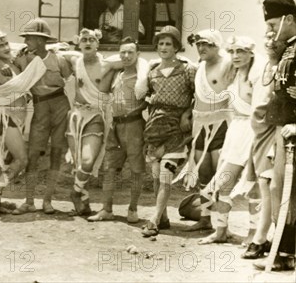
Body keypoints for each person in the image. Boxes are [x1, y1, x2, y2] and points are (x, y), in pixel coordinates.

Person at [197, 36, 265, 245]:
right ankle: (220, 231)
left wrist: (257, 138)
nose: (236, 56)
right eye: (233, 51)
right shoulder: (232, 75)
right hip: (235, 132)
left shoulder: (256, 78)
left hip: (254, 133)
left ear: (250, 53)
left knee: (252, 186)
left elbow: (261, 111)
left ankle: (253, 234)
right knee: (223, 184)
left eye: (241, 51)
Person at [252, 0, 296, 271]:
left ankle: (284, 253)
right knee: (283, 191)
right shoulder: (287, 52)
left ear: (289, 20)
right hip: (284, 129)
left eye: (272, 23)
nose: (268, 30)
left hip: (293, 130)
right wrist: (272, 56)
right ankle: (285, 251)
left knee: (289, 192)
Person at [0, 31, 47, 216]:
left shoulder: (12, 63)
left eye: (6, 43)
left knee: (4, 160)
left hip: (19, 117)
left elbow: (23, 53)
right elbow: (19, 86)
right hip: (6, 117)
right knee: (22, 159)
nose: (5, 47)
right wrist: (33, 64)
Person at [141, 26, 196, 237]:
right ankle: (162, 216)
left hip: (177, 129)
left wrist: (187, 114)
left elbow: (197, 96)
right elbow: (146, 97)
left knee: (165, 174)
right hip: (155, 128)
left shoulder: (187, 70)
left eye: (168, 44)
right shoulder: (152, 71)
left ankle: (153, 220)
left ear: (176, 47)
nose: (164, 48)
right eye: (161, 44)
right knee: (156, 176)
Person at [12, 18, 71, 215]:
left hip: (60, 104)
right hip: (40, 106)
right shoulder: (23, 59)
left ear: (40, 40)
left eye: (30, 37)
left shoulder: (59, 59)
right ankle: (29, 200)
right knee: (33, 153)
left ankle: (48, 200)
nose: (26, 40)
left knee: (56, 152)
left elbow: (69, 76)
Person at [90, 37, 149, 222]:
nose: (126, 56)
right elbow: (102, 89)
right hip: (115, 125)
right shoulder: (118, 74)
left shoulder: (144, 77)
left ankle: (132, 209)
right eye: (122, 52)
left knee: (136, 169)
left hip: (134, 125)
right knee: (109, 168)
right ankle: (106, 209)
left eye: (130, 52)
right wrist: (113, 67)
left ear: (138, 55)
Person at [59, 28, 117, 217]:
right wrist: (60, 45)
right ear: (79, 44)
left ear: (98, 44)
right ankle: (83, 201)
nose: (87, 43)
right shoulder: (76, 60)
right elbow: (57, 52)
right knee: (78, 164)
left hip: (95, 117)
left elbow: (131, 59)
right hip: (76, 116)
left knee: (87, 161)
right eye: (84, 40)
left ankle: (75, 192)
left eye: (92, 39)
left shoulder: (107, 64)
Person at [182, 30, 234, 232]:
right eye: (198, 45)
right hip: (200, 126)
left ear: (216, 46)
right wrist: (187, 114)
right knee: (203, 173)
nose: (201, 48)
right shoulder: (200, 67)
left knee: (220, 175)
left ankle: (222, 224)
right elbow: (196, 97)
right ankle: (205, 218)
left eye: (206, 44)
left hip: (221, 125)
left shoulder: (228, 64)